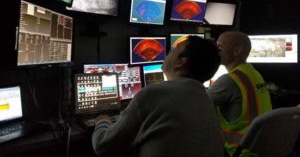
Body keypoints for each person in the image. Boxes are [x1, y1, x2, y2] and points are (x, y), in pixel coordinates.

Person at [92, 36, 225, 157]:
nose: (167, 53)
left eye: (173, 50)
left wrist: (102, 122)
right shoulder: (206, 98)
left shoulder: (153, 93)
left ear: (180, 62)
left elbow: (103, 146)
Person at [207, 31, 272, 157]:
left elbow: (196, 102)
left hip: (239, 152)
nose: (216, 50)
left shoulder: (230, 79)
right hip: (260, 147)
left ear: (236, 51)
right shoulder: (253, 73)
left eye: (220, 46)